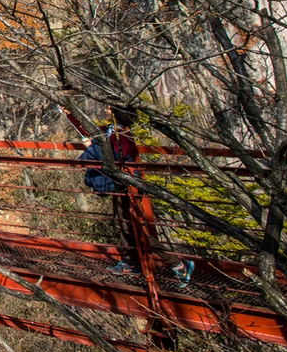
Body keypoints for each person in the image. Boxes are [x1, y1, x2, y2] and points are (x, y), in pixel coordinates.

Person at [66, 106, 194, 285]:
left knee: (132, 227)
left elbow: (114, 153)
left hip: (126, 184)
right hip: (121, 183)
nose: (106, 108)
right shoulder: (114, 131)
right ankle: (130, 262)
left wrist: (93, 147)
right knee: (123, 224)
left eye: (110, 107)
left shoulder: (121, 134)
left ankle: (178, 264)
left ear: (117, 113)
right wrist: (70, 114)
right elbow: (89, 131)